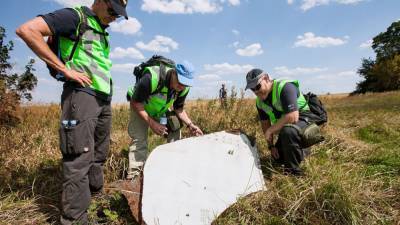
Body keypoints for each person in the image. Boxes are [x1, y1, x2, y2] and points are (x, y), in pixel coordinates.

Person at [16, 0, 128, 224]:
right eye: (112, 10)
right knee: (79, 157)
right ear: (100, 1)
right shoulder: (75, 17)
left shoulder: (101, 30)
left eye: (119, 14)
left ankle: (95, 203)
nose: (114, 17)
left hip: (102, 99)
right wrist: (64, 70)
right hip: (81, 96)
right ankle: (75, 219)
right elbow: (27, 30)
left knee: (98, 155)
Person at [126, 61, 203, 180]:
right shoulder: (152, 78)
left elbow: (179, 109)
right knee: (140, 138)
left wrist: (190, 124)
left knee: (176, 125)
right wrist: (152, 123)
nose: (182, 86)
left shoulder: (183, 89)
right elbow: (135, 102)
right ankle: (134, 177)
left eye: (186, 84)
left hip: (159, 110)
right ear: (174, 73)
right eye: (180, 81)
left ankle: (172, 165)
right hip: (139, 106)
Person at [245, 68, 321, 176]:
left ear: (266, 78)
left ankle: (292, 172)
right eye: (252, 89)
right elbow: (265, 124)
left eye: (257, 86)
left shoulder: (285, 87)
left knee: (288, 131)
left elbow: (293, 117)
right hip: (287, 125)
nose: (256, 91)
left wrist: (271, 130)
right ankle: (302, 150)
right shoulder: (260, 103)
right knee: (279, 158)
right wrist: (271, 146)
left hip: (304, 118)